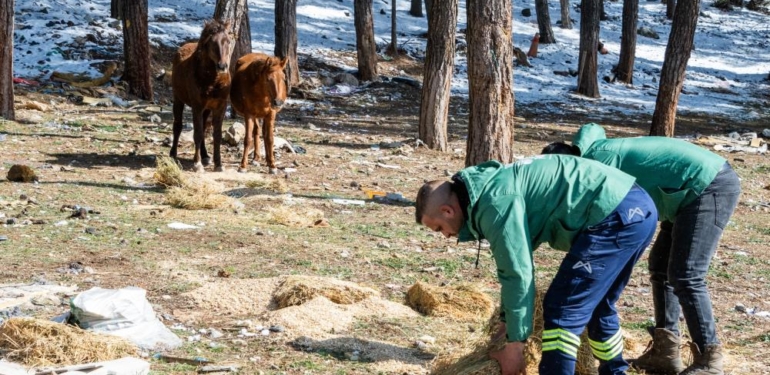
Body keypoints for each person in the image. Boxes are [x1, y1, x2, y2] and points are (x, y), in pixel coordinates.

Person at [415, 155, 658, 375]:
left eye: (438, 228)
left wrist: (515, 347)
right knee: (598, 304)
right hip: (637, 208)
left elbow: (517, 273)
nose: (445, 236)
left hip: (614, 215)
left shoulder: (495, 203)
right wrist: (506, 323)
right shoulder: (490, 187)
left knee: (562, 309)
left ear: (447, 210)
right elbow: (514, 264)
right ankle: (615, 372)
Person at [543, 123, 741, 375]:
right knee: (660, 267)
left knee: (687, 274)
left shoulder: (595, 166)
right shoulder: (592, 158)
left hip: (708, 184)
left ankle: (709, 361)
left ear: (566, 165)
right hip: (680, 192)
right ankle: (666, 352)